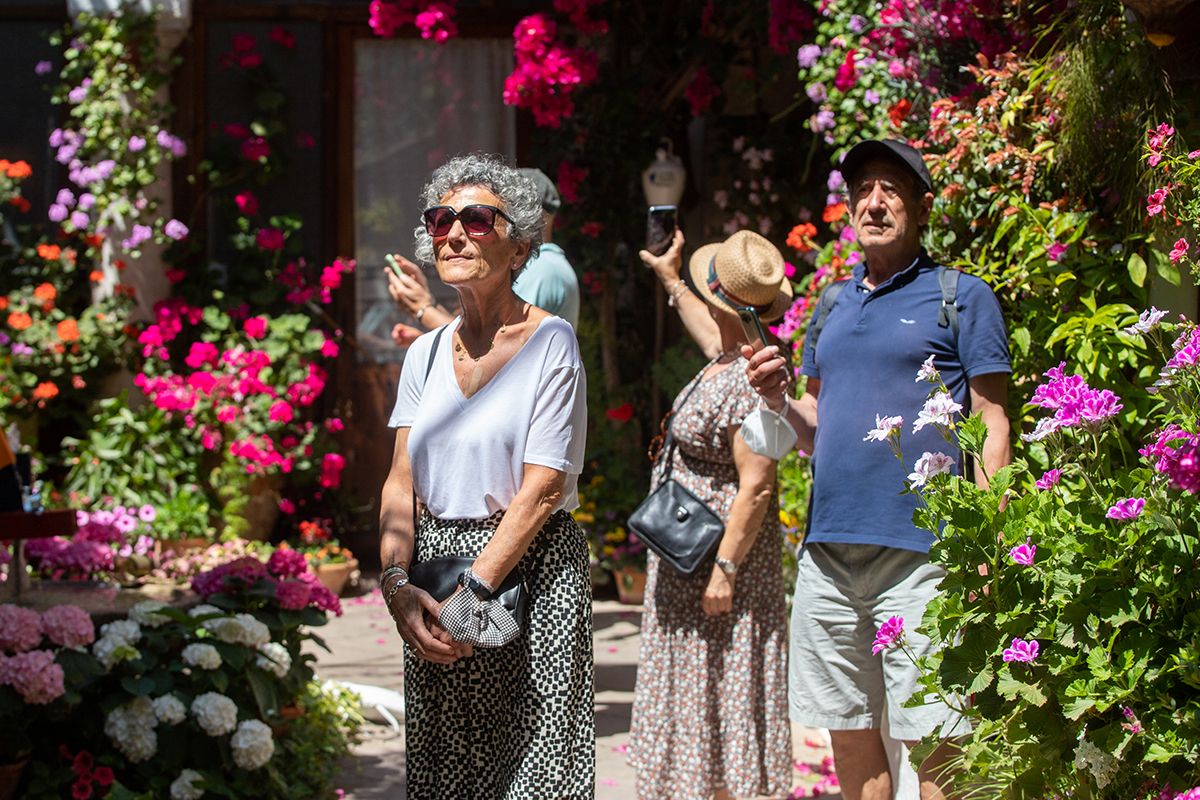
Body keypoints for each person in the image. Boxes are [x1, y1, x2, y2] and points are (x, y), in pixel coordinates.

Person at [744, 139, 1013, 800]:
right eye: (863, 188)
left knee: (939, 741)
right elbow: (813, 424)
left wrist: (987, 546)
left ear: (922, 208)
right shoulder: (832, 306)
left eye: (891, 188)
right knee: (849, 733)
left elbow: (994, 419)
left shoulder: (961, 297)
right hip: (828, 557)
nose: (873, 201)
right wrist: (778, 399)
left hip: (925, 555)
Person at [377, 153, 593, 798]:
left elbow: (544, 487)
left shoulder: (551, 342)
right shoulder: (424, 352)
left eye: (476, 218)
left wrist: (470, 597)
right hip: (435, 578)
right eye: (441, 219)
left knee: (535, 773)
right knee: (450, 773)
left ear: (520, 242)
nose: (454, 231)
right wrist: (395, 584)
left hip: (529, 570)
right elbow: (398, 484)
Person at [630, 229, 794, 800]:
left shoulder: (756, 380)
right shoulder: (734, 354)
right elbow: (710, 336)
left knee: (721, 696)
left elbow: (757, 486)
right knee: (705, 697)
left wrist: (724, 569)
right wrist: (670, 278)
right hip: (690, 564)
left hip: (719, 570)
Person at [385, 167, 580, 346]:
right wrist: (428, 343)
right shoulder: (549, 264)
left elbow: (502, 343)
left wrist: (424, 309)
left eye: (478, 220)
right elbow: (479, 340)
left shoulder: (542, 268)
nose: (454, 235)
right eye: (443, 220)